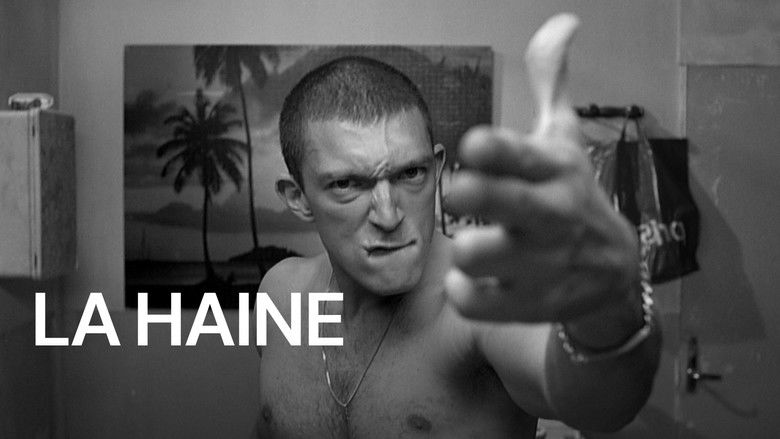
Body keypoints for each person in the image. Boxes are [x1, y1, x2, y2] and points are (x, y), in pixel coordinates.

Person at [255, 16, 660, 438]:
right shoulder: (279, 293)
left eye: (410, 173)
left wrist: (612, 312)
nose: (389, 216)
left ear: (437, 168)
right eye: (346, 185)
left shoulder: (478, 302)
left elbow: (599, 402)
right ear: (298, 197)